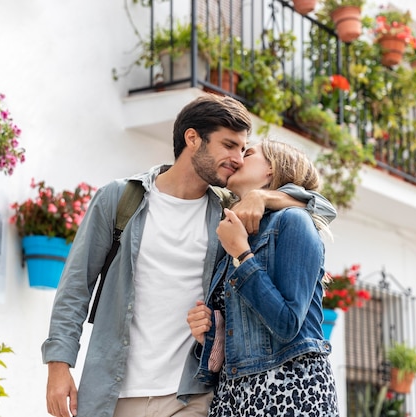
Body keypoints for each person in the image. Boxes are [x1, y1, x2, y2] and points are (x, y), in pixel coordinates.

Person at [42, 94, 337, 417]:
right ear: (193, 138)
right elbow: (75, 287)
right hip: (114, 390)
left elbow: (321, 209)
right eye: (229, 145)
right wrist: (59, 366)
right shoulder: (120, 199)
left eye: (243, 149)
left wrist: (264, 196)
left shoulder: (228, 214)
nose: (238, 158)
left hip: (192, 395)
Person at [186, 139, 339, 416]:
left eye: (248, 152)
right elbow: (245, 329)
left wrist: (242, 255)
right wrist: (211, 331)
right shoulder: (235, 231)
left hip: (289, 389)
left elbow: (287, 323)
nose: (237, 158)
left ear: (272, 169)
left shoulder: (293, 220)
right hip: (233, 394)